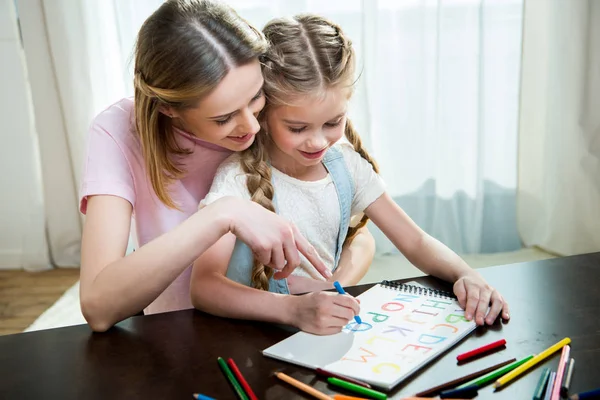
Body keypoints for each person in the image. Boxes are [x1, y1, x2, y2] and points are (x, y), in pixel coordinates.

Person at [190, 14, 510, 335]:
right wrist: (292, 310)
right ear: (264, 111)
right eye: (297, 128)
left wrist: (467, 275)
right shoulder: (237, 179)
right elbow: (204, 287)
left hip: (322, 331)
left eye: (332, 123)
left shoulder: (346, 165)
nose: (318, 141)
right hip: (248, 339)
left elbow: (415, 240)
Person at [78, 0, 375, 332]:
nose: (252, 126)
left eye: (256, 97)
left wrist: (329, 287)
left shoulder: (284, 118)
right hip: (177, 337)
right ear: (168, 108)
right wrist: (222, 214)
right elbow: (98, 307)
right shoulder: (118, 131)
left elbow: (356, 234)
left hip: (272, 330)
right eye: (223, 118)